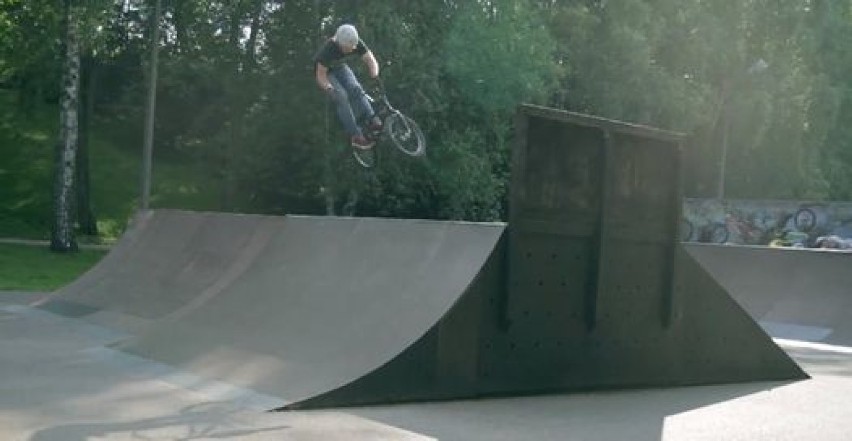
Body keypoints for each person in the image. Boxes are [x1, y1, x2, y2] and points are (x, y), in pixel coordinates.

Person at [313, 24, 381, 150]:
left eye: (351, 48)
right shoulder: (327, 51)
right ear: (339, 43)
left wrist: (374, 76)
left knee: (356, 88)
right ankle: (355, 136)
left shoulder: (355, 42)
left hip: (340, 67)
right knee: (342, 97)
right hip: (326, 73)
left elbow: (371, 60)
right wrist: (329, 88)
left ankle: (372, 120)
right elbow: (320, 76)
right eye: (346, 48)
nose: (350, 50)